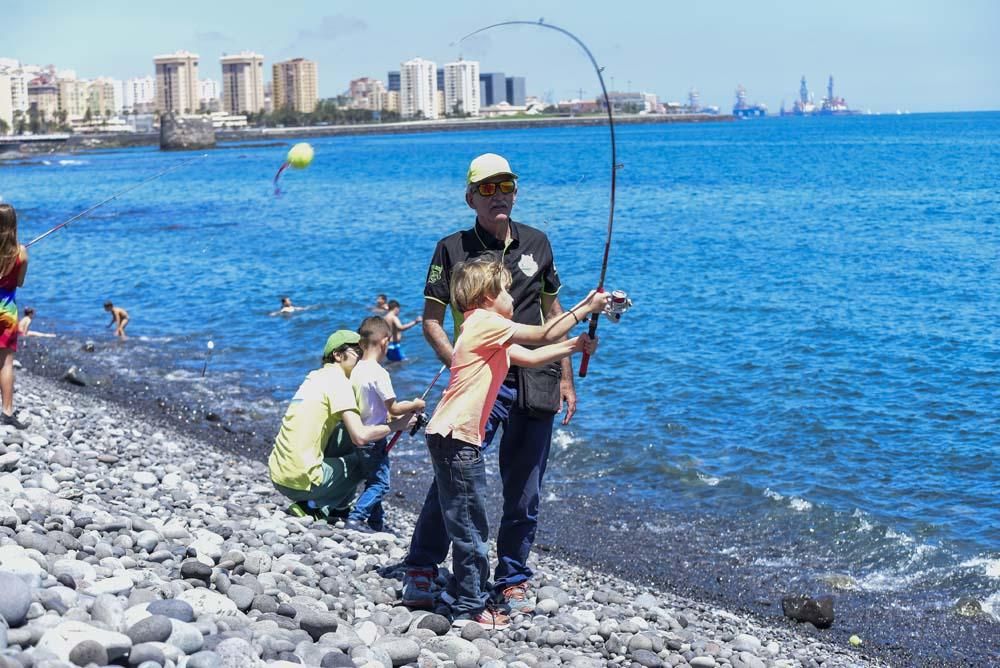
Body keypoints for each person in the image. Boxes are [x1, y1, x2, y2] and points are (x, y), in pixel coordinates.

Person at [403, 152, 592, 616]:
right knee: (454, 480)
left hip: (536, 376)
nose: (498, 195)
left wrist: (567, 379)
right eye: (487, 188)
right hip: (481, 386)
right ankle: (423, 566)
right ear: (470, 197)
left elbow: (553, 314)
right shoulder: (451, 248)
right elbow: (430, 322)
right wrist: (462, 369)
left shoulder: (539, 243)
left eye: (505, 185)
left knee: (525, 488)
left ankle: (512, 576)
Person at [268, 329, 415, 520]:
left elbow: (353, 425)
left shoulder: (315, 377)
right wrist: (399, 425)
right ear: (337, 355)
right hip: (300, 481)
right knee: (366, 460)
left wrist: (391, 417)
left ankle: (336, 507)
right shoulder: (339, 382)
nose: (362, 360)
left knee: (345, 433)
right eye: (358, 353)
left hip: (279, 475)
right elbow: (361, 436)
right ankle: (313, 505)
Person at [345, 316, 426, 533]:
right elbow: (394, 408)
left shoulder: (356, 369)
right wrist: (415, 404)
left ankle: (375, 521)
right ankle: (355, 517)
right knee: (381, 484)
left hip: (357, 433)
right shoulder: (379, 373)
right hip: (374, 437)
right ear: (384, 341)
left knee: (373, 478)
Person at [0, 204, 28, 430]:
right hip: (7, 311)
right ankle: (7, 411)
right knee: (6, 362)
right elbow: (19, 283)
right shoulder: (21, 253)